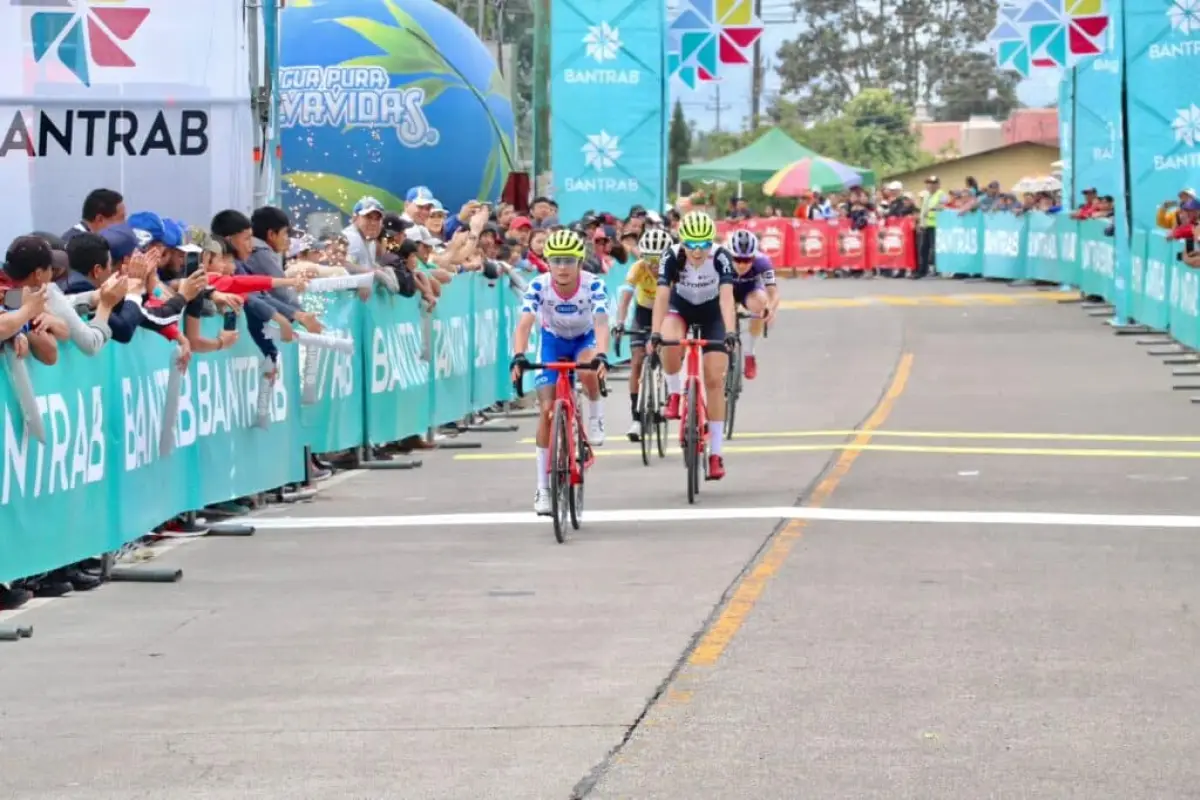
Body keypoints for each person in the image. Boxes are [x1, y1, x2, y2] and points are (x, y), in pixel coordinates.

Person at [508, 229, 609, 515]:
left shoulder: (594, 285)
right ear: (548, 262)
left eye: (568, 260)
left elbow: (601, 323)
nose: (562, 267)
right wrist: (518, 356)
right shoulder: (538, 286)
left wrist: (601, 354)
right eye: (556, 260)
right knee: (547, 410)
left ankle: (596, 417)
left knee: (589, 369)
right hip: (551, 341)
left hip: (584, 339)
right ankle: (543, 488)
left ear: (579, 262)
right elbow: (525, 324)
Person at [647, 210, 737, 481]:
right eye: (692, 245)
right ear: (682, 241)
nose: (698, 252)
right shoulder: (672, 256)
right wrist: (654, 333)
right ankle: (675, 393)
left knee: (714, 380)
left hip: (712, 314)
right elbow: (662, 296)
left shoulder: (721, 257)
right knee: (669, 342)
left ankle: (716, 454)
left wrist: (731, 331)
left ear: (712, 242)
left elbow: (727, 299)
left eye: (704, 244)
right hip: (681, 308)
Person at [614, 227, 672, 441]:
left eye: (659, 259)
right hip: (644, 311)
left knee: (667, 356)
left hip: (667, 312)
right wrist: (620, 322)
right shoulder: (638, 268)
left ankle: (665, 393)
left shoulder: (674, 268)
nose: (654, 265)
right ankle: (637, 418)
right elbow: (626, 297)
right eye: (649, 258)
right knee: (637, 361)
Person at [726, 229, 779, 380]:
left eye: (747, 260)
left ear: (754, 257)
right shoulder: (720, 259)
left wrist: (770, 309)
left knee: (760, 303)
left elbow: (773, 293)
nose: (742, 265)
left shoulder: (763, 262)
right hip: (726, 290)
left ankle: (749, 354)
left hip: (749, 291)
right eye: (737, 259)